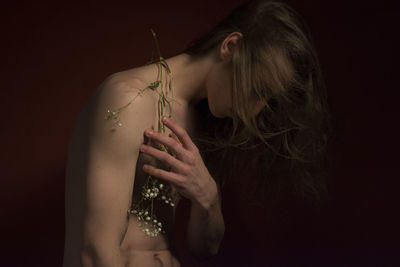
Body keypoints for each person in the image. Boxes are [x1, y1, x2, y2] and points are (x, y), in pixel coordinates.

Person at [62, 0, 332, 266]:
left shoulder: (205, 118)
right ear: (231, 46)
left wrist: (209, 199)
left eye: (267, 100)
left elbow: (205, 249)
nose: (255, 111)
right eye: (257, 91)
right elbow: (95, 251)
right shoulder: (128, 99)